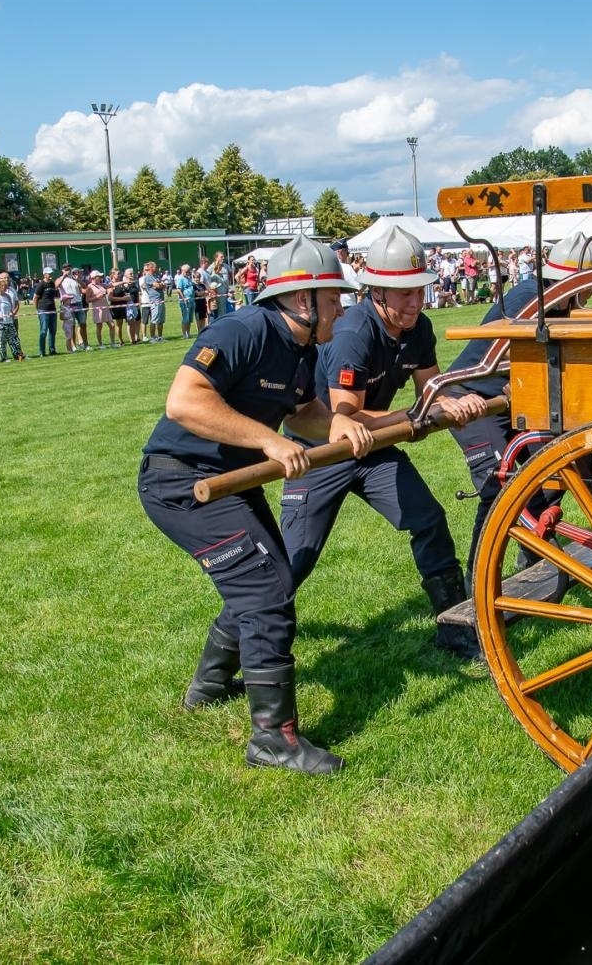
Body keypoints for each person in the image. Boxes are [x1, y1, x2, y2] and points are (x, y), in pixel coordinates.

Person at [139, 235, 372, 775]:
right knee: (264, 592)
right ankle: (272, 739)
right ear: (301, 301)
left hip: (231, 480)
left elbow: (303, 412)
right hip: (182, 484)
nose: (343, 305)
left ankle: (211, 685)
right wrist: (267, 440)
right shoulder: (240, 330)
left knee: (271, 579)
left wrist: (335, 423)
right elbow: (185, 402)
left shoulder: (303, 348)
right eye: (334, 297)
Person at [279, 226, 489, 659]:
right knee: (293, 561)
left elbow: (430, 388)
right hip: (321, 452)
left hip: (373, 449)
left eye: (419, 291)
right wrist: (417, 416)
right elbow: (344, 417)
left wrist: (458, 398)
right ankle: (225, 660)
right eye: (403, 293)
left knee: (428, 519)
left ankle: (457, 628)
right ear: (377, 290)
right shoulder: (354, 332)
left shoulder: (419, 327)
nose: (415, 302)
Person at [445, 232, 592, 578]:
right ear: (571, 281)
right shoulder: (531, 301)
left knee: (553, 470)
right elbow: (519, 359)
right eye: (590, 284)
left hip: (512, 401)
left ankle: (533, 554)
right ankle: (477, 584)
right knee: (500, 488)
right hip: (472, 399)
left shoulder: (558, 301)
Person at [0, 272, 25, 363]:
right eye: (3, 286)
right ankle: (3, 358)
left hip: (10, 321)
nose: (5, 287)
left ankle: (18, 356)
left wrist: (12, 313)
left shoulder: (8, 295)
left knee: (14, 339)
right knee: (2, 341)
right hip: (1, 323)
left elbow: (14, 304)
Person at [33, 268, 59, 356]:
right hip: (43, 310)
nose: (51, 275)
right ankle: (42, 351)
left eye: (51, 273)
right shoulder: (41, 285)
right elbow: (35, 298)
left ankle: (52, 349)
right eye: (49, 274)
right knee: (43, 331)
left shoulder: (52, 284)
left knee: (53, 330)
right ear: (44, 275)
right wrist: (37, 310)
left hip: (52, 309)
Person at [141, 260, 167, 342]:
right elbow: (157, 285)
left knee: (161, 320)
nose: (156, 268)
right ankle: (152, 337)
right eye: (155, 266)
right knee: (154, 320)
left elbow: (163, 285)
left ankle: (160, 337)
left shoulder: (156, 276)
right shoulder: (148, 277)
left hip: (161, 300)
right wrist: (159, 285)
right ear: (151, 268)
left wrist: (160, 285)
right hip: (155, 300)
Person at [86, 270, 111, 348]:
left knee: (112, 325)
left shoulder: (102, 284)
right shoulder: (90, 287)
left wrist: (123, 282)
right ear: (94, 278)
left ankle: (113, 342)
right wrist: (97, 297)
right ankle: (101, 344)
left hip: (105, 307)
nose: (100, 278)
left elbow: (111, 285)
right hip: (98, 309)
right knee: (99, 326)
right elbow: (87, 300)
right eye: (99, 276)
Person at [174, 264, 197, 339]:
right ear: (182, 271)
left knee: (190, 319)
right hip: (185, 301)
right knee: (185, 318)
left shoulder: (188, 278)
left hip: (191, 300)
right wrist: (183, 299)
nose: (188, 273)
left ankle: (188, 333)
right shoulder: (180, 279)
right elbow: (178, 290)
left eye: (189, 271)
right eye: (187, 271)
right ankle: (184, 334)